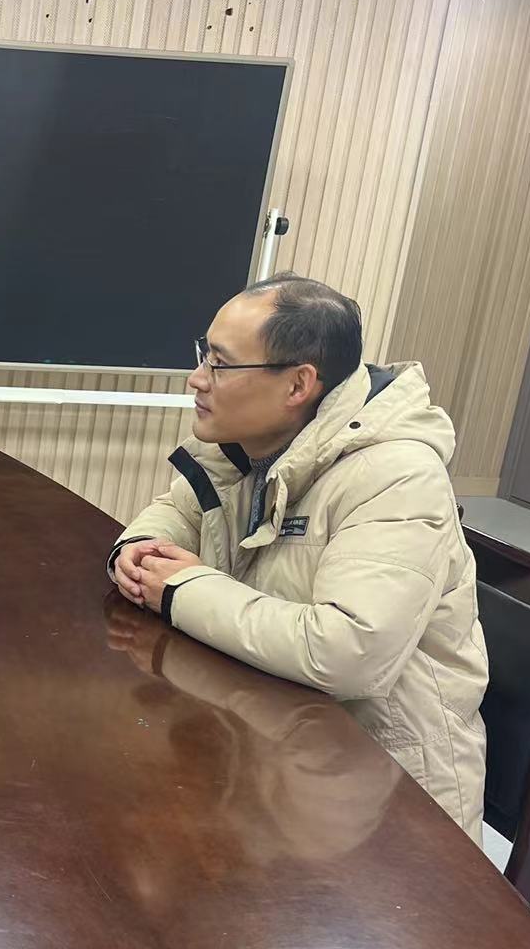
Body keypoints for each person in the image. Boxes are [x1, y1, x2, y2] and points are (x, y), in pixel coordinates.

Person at [108, 274, 488, 839]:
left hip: (380, 798)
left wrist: (182, 589)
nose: (197, 379)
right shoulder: (250, 445)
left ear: (297, 385)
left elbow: (348, 653)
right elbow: (176, 511)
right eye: (203, 355)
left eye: (220, 364)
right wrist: (139, 550)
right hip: (266, 742)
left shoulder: (397, 476)